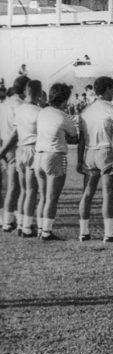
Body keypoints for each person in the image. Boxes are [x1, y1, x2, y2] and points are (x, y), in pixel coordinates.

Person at [76, 76, 113, 242]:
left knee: (87, 193)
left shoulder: (86, 110)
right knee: (108, 195)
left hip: (89, 153)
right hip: (106, 151)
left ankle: (83, 232)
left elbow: (81, 139)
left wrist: (79, 160)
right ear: (108, 89)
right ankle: (109, 234)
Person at [32, 84, 78, 240]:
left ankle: (40, 229)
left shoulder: (42, 112)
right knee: (52, 198)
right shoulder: (63, 116)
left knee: (43, 197)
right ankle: (46, 232)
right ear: (64, 100)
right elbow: (74, 137)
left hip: (38, 155)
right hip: (55, 155)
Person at [0, 81, 44, 237]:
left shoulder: (12, 107)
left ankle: (15, 223)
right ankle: (23, 225)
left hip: (14, 147)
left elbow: (12, 131)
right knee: (27, 190)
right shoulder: (33, 110)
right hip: (25, 147)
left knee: (19, 189)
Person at [0, 75, 28, 233]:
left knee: (12, 186)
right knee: (15, 187)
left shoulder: (4, 104)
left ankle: (13, 219)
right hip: (14, 146)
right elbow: (17, 131)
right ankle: (9, 221)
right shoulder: (20, 105)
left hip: (4, 143)